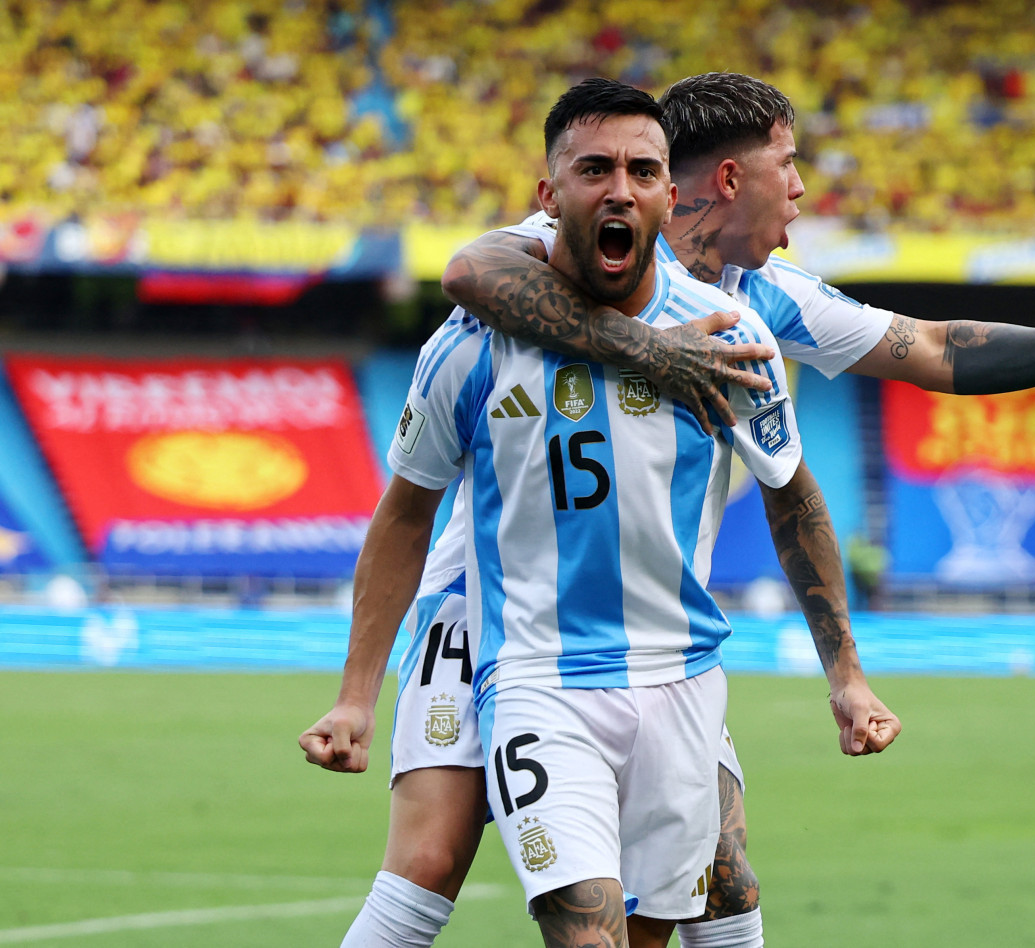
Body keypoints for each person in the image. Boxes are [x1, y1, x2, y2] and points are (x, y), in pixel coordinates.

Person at [438, 71, 1035, 947]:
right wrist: (654, 352)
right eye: (787, 166)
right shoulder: (583, 238)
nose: (801, 189)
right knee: (430, 861)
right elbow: (470, 270)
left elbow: (933, 352)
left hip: (657, 647)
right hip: (496, 613)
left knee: (725, 880)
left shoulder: (764, 296)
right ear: (727, 181)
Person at [301, 78, 897, 948]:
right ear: (549, 197)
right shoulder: (472, 343)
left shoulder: (730, 338)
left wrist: (846, 675)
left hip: (675, 673)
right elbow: (405, 512)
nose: (619, 188)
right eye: (594, 169)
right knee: (487, 889)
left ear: (669, 194)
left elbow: (794, 493)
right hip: (522, 658)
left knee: (706, 892)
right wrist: (355, 694)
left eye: (641, 170)